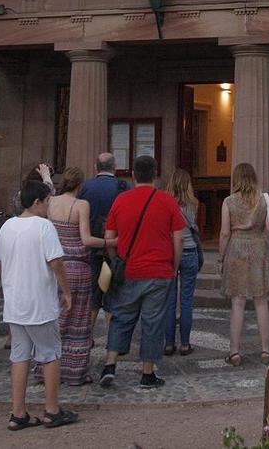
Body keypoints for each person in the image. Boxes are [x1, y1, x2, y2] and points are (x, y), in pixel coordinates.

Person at [0, 180, 79, 430]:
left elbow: (0, 261)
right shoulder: (44, 227)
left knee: (19, 355)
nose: (49, 206)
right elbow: (56, 262)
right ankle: (52, 409)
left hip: (15, 303)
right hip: (39, 302)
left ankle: (18, 411)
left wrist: (9, 286)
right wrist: (66, 290)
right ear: (36, 202)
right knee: (50, 354)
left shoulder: (7, 226)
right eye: (47, 201)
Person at [99, 155, 185, 389]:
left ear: (133, 175)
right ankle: (147, 372)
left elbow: (109, 239)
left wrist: (119, 261)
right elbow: (179, 238)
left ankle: (110, 364)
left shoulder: (121, 201)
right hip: (159, 270)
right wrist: (174, 265)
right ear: (155, 175)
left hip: (130, 269)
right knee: (153, 321)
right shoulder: (167, 201)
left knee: (121, 317)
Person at [36, 167, 105, 386]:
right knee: (78, 320)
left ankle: (45, 369)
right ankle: (75, 372)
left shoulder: (51, 201)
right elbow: (85, 239)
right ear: (80, 185)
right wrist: (108, 242)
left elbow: (48, 190)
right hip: (77, 267)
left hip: (54, 267)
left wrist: (46, 176)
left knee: (54, 318)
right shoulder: (81, 205)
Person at [218, 163, 269, 366]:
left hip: (236, 248)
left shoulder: (228, 202)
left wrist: (221, 257)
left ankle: (234, 352)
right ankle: (266, 350)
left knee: (237, 302)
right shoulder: (264, 200)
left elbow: (224, 233)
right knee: (261, 301)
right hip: (259, 248)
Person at [79, 152, 127, 324]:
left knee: (94, 293)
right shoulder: (123, 186)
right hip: (115, 247)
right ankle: (113, 339)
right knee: (113, 293)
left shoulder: (85, 187)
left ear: (95, 167)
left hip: (91, 246)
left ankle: (88, 337)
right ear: (115, 167)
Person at [162, 169, 203, 356]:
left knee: (169, 301)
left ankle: (169, 343)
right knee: (186, 301)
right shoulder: (193, 204)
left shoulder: (165, 203)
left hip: (170, 253)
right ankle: (185, 343)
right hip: (189, 253)